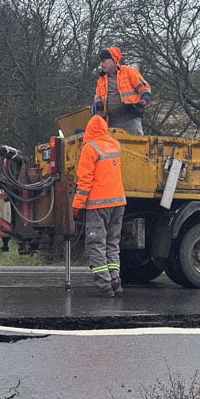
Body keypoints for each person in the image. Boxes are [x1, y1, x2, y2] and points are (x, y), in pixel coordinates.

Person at [72, 114, 126, 297]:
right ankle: (115, 282)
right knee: (112, 243)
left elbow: (85, 181)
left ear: (89, 130)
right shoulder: (115, 145)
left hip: (98, 205)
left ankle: (103, 285)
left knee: (96, 244)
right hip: (118, 203)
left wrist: (77, 206)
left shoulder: (90, 148)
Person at [92, 46, 152, 135]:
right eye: (100, 62)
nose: (101, 64)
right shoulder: (101, 80)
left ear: (113, 60)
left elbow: (145, 88)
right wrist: (100, 115)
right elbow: (98, 99)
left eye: (103, 61)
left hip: (130, 118)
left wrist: (143, 101)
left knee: (135, 144)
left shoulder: (129, 72)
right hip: (111, 121)